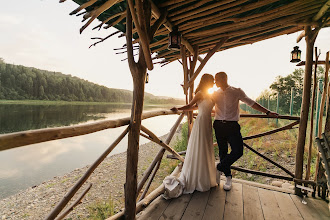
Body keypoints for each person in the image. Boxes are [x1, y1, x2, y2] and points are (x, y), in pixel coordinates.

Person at [213, 71, 278, 191]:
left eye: (216, 79)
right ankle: (228, 178)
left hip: (232, 126)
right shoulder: (214, 94)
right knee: (222, 152)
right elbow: (208, 106)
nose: (214, 82)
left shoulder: (236, 91)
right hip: (218, 125)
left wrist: (267, 112)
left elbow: (251, 103)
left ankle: (219, 167)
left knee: (238, 151)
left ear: (223, 79)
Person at [163, 74, 217, 199]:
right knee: (199, 147)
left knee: (206, 148)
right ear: (207, 82)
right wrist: (178, 108)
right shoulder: (199, 93)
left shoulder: (210, 95)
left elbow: (207, 108)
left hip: (208, 122)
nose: (213, 83)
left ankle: (205, 177)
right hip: (201, 122)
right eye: (212, 81)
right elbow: (190, 106)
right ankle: (196, 177)